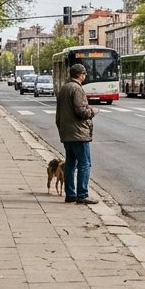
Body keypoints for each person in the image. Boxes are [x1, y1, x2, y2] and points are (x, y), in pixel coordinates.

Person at [55, 63, 98, 204]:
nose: (85, 76)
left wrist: (61, 129)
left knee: (70, 165)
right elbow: (81, 111)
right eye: (84, 74)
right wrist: (93, 111)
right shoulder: (77, 89)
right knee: (84, 164)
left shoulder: (64, 88)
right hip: (79, 134)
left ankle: (70, 194)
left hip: (66, 133)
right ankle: (82, 195)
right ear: (80, 75)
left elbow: (59, 114)